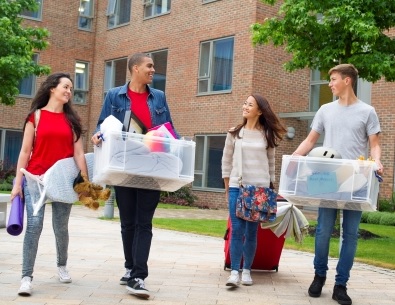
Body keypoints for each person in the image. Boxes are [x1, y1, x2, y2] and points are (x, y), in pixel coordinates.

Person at [292, 64, 383, 305]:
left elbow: (374, 144)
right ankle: (319, 276)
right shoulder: (325, 110)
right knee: (322, 231)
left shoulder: (367, 111)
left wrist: (377, 161)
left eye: (333, 79)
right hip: (329, 177)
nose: (329, 84)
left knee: (350, 235)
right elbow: (310, 139)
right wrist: (294, 159)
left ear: (347, 81)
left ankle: (341, 284)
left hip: (356, 178)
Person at [91, 52, 178, 299]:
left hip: (151, 167)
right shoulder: (114, 95)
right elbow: (102, 124)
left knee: (144, 222)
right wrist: (97, 135)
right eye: (149, 66)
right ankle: (130, 267)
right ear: (135, 68)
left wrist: (176, 146)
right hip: (124, 167)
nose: (153, 70)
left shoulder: (158, 97)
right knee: (127, 222)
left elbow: (168, 127)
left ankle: (139, 275)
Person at [10, 73, 89, 296]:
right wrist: (17, 184)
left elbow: (79, 153)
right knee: (34, 227)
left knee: (61, 227)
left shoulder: (72, 121)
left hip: (63, 181)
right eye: (65, 87)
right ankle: (26, 277)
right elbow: (25, 152)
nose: (69, 92)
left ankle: (62, 266)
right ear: (52, 88)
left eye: (71, 89)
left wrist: (85, 183)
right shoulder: (35, 117)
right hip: (35, 179)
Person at [221, 94, 286, 287]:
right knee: (237, 230)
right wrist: (227, 188)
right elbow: (226, 162)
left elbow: (271, 163)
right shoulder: (234, 133)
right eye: (245, 103)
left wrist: (271, 188)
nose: (245, 107)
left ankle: (247, 270)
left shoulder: (267, 134)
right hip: (237, 187)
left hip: (259, 190)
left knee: (251, 232)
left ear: (259, 110)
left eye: (250, 105)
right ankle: (234, 272)